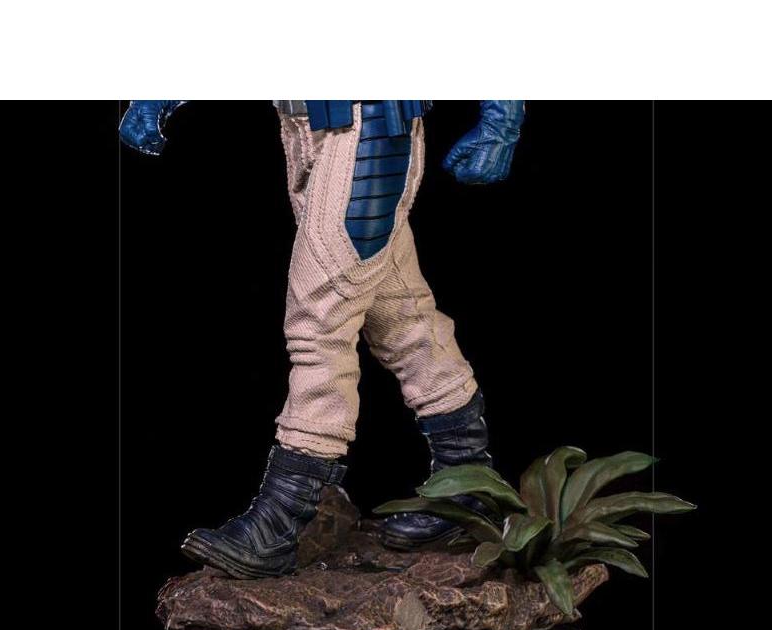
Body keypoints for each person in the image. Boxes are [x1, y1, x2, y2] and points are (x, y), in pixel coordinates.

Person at [120, 99, 525, 578]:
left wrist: (501, 121)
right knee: (403, 319)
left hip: (367, 130)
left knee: (319, 325)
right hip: (308, 130)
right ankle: (469, 480)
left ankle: (281, 518)